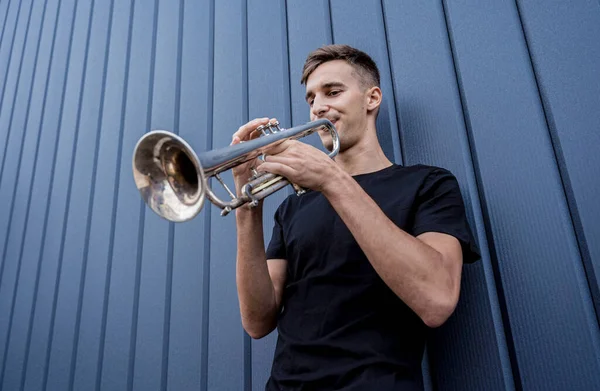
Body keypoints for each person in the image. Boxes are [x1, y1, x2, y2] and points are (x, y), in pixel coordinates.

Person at [231, 44, 480, 391]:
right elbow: (257, 321)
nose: (319, 106)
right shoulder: (293, 207)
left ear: (371, 98)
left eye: (333, 92)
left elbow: (436, 300)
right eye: (311, 98)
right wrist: (246, 204)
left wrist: (332, 179)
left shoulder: (429, 184)